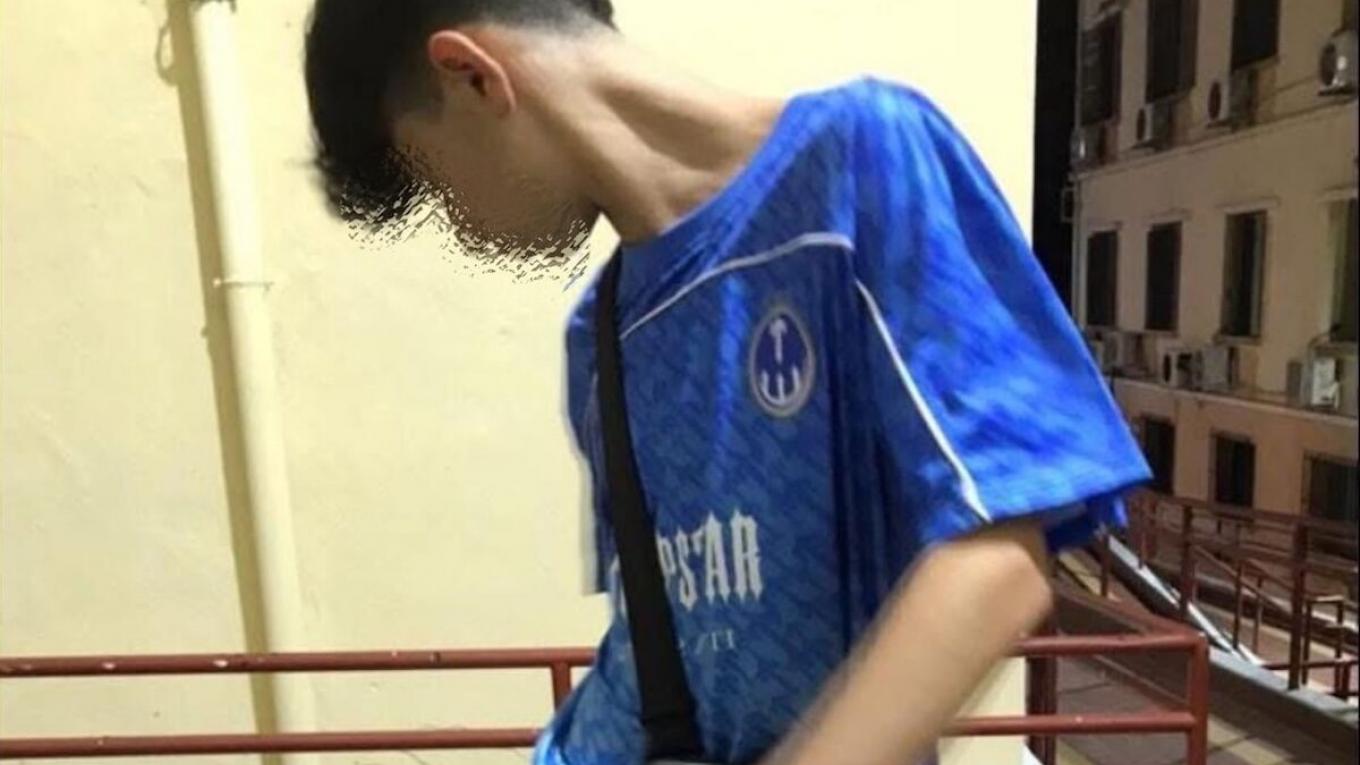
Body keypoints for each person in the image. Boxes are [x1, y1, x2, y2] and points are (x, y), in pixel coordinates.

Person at [303, 2, 1152, 764]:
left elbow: (999, 553)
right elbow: (665, 650)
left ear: (472, 75)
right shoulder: (599, 337)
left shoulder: (858, 162)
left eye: (432, 180)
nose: (462, 227)